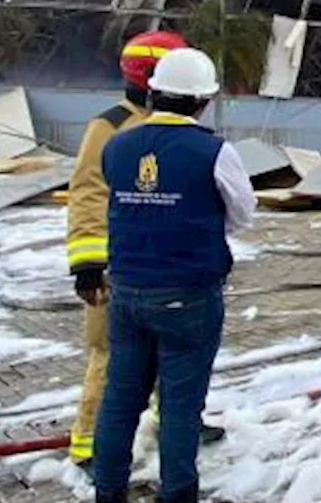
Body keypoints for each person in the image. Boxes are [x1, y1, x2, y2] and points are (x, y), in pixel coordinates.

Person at [90, 48, 256, 503]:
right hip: (188, 296)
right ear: (203, 102)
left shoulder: (117, 147)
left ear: (154, 91)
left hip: (127, 294)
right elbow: (243, 214)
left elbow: (116, 202)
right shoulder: (213, 152)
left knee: (119, 402)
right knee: (181, 407)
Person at [67, 31, 226, 468]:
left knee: (171, 360)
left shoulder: (167, 128)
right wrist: (87, 265)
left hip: (169, 271)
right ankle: (89, 447)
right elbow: (87, 195)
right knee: (111, 360)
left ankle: (173, 422)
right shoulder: (111, 127)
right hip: (120, 272)